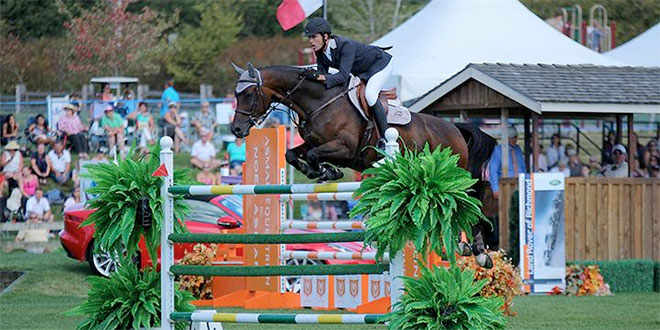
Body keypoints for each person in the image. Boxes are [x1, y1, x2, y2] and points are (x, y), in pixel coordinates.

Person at [304, 17, 393, 148]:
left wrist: (319, 77)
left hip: (380, 65)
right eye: (309, 38)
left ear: (325, 36)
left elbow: (342, 76)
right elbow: (322, 75)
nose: (311, 41)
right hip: (361, 72)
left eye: (314, 37)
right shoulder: (320, 52)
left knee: (370, 95)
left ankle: (386, 139)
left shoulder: (346, 45)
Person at [488, 125, 526, 200]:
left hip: (520, 183)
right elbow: (493, 170)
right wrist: (495, 189)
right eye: (512, 137)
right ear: (506, 138)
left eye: (515, 137)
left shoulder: (518, 149)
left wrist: (526, 180)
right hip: (505, 184)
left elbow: (522, 167)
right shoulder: (498, 150)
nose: (515, 139)